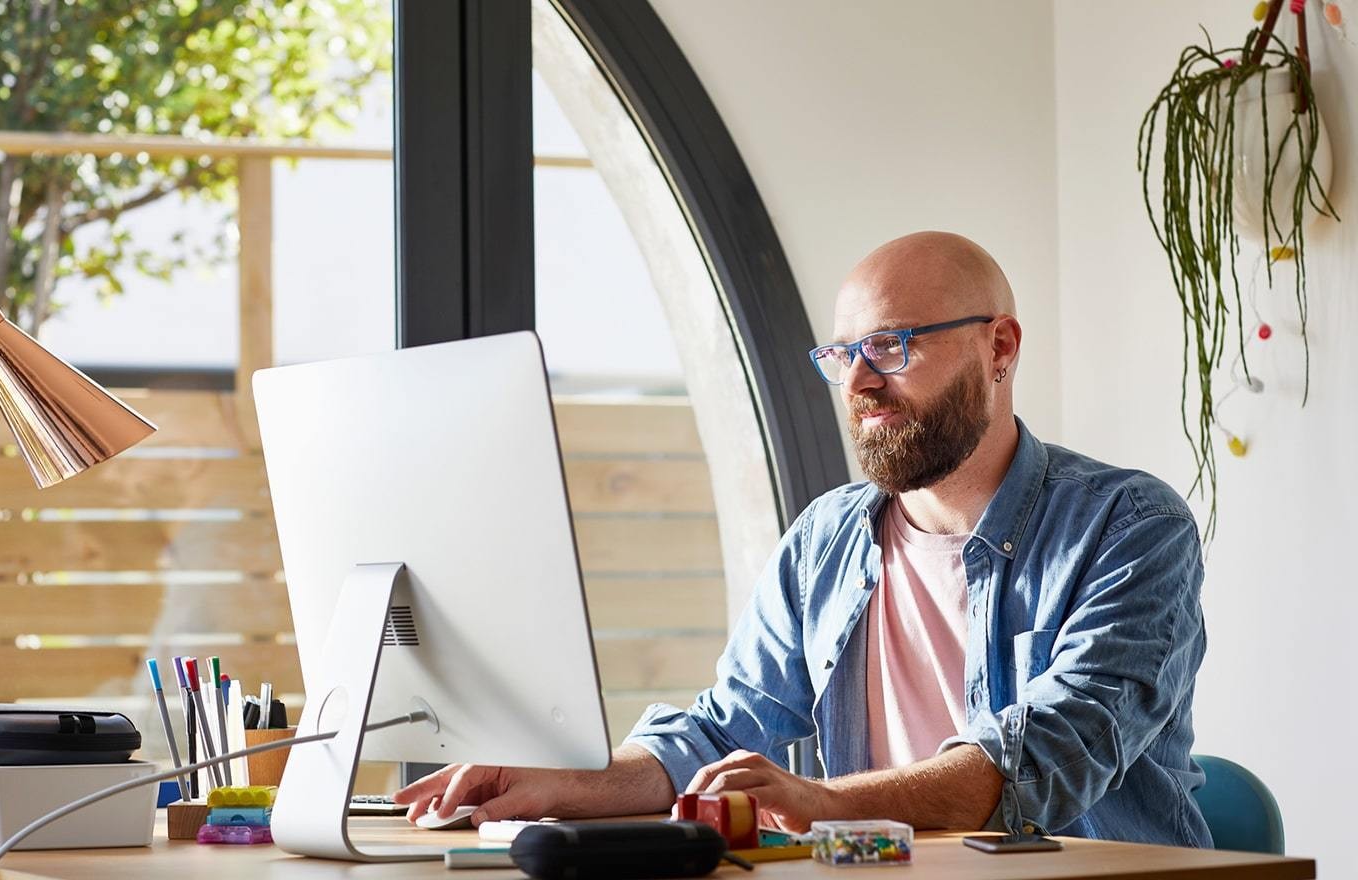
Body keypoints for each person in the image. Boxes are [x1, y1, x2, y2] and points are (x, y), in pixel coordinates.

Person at [396, 231, 1210, 846]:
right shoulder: (825, 539)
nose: (858, 382)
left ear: (998, 347)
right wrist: (559, 785)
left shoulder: (1131, 528)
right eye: (842, 355)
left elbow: (1042, 759)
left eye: (891, 346)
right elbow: (722, 734)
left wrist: (822, 803)